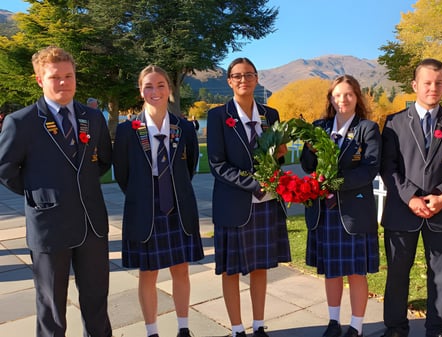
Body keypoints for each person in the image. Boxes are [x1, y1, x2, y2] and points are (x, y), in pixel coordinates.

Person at [0, 46, 112, 336]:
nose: (63, 82)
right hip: (49, 227)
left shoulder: (93, 118)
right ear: (39, 80)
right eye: (55, 77)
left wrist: (79, 186)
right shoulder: (20, 122)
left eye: (69, 76)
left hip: (92, 225)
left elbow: (103, 161)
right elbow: (5, 170)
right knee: (51, 310)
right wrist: (41, 195)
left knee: (97, 302)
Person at [113, 65, 204, 337]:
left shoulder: (184, 127)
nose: (155, 91)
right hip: (145, 206)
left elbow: (189, 166)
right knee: (148, 272)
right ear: (140, 90)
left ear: (170, 88)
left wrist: (171, 188)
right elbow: (122, 174)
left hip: (177, 202)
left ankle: (184, 328)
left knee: (181, 269)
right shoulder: (128, 129)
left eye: (161, 85)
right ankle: (152, 331)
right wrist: (144, 193)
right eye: (149, 86)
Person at [379, 58, 442, 337]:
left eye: (438, 83)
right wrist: (411, 197)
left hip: (441, 213)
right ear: (415, 85)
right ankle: (395, 327)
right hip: (402, 211)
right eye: (427, 83)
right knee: (397, 275)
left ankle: (437, 328)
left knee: (440, 276)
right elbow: (388, 167)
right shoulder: (394, 123)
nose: (433, 88)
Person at [207, 57, 290, 337]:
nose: (244, 80)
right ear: (229, 81)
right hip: (234, 204)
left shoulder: (271, 114)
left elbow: (277, 157)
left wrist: (280, 157)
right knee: (231, 271)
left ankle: (258, 325)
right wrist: (254, 184)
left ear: (257, 79)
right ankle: (237, 329)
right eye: (237, 76)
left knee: (260, 267)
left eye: (249, 75)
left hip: (266, 205)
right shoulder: (218, 116)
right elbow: (217, 165)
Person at [300, 75, 381, 337]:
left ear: (357, 97)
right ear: (331, 99)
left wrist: (336, 183)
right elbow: (307, 165)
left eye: (348, 94)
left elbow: (369, 170)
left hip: (353, 211)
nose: (342, 100)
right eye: (337, 95)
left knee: (356, 272)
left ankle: (356, 326)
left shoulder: (367, 129)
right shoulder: (318, 126)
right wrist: (310, 150)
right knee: (332, 270)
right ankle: (333, 322)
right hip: (324, 212)